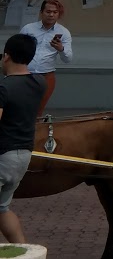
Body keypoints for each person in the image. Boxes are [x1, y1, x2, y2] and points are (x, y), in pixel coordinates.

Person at [0, 33, 46, 245]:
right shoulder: (39, 83)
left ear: (6, 56)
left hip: (3, 155)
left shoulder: (4, 88)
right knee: (2, 208)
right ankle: (24, 252)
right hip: (23, 156)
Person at [19, 0, 72, 116]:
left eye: (55, 12)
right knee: (20, 106)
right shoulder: (28, 28)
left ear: (58, 14)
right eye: (48, 11)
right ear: (41, 12)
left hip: (46, 76)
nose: (51, 15)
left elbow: (68, 59)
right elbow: (16, 50)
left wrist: (61, 49)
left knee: (38, 110)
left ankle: (36, 127)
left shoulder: (64, 32)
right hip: (25, 74)